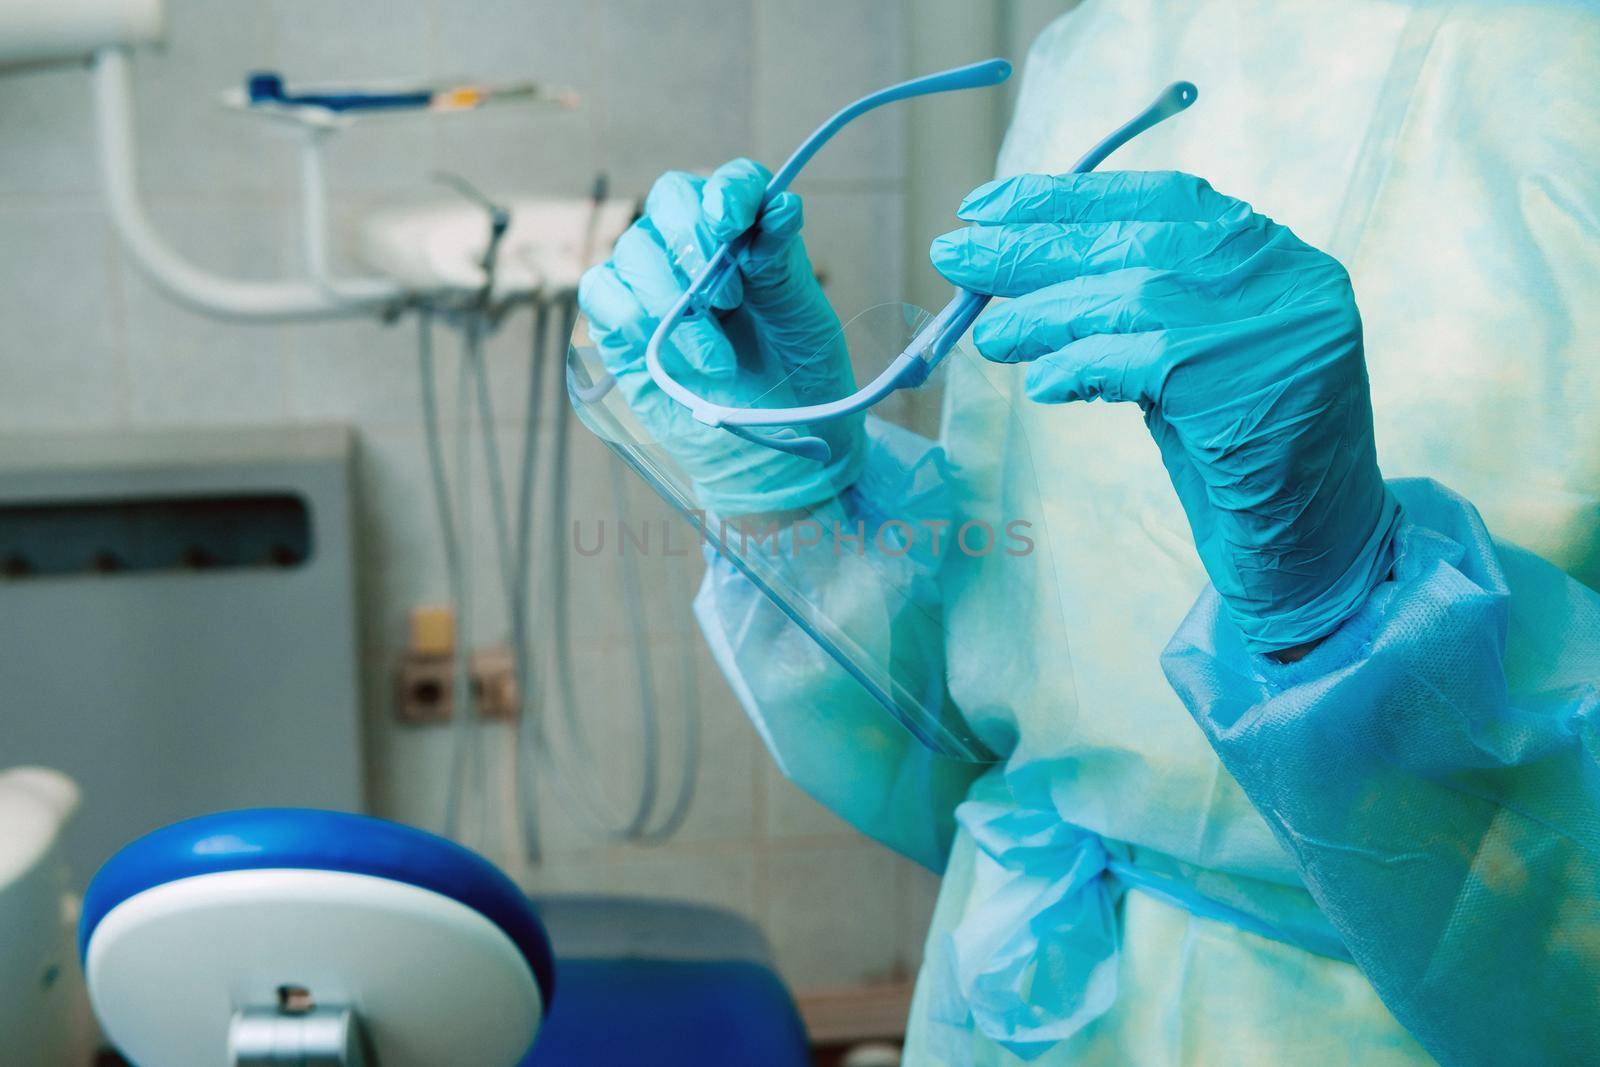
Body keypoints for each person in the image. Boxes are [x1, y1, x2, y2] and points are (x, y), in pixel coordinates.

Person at [578, 1, 1600, 1063]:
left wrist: (1353, 609)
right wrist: (804, 500)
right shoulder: (1102, 48)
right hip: (1031, 1003)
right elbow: (982, 728)